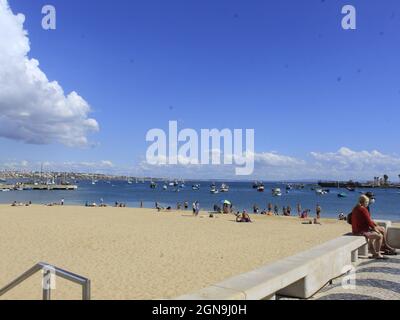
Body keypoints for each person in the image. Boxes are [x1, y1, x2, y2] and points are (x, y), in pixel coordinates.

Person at [351, 195, 388, 259]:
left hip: (356, 230)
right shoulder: (363, 209)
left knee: (375, 233)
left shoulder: (355, 208)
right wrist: (375, 228)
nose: (367, 204)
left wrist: (374, 228)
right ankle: (377, 253)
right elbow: (368, 221)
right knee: (379, 236)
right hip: (360, 231)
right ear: (364, 202)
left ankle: (374, 252)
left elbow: (367, 220)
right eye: (367, 202)